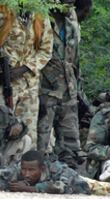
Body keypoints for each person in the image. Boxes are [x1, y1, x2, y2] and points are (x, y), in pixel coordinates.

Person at [0, 4, 53, 148]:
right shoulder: (2, 9)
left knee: (28, 130)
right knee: (1, 125)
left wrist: (24, 69)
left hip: (29, 83)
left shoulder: (41, 15)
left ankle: (26, 165)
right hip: (3, 78)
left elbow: (46, 51)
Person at [37, 0, 82, 168]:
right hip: (45, 85)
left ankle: (70, 169)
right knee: (42, 134)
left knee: (70, 135)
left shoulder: (71, 18)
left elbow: (75, 55)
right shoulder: (40, 17)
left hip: (68, 85)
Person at [0, 150, 110, 196]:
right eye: (24, 169)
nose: (26, 174)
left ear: (42, 169)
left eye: (31, 170)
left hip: (78, 181)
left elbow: (67, 187)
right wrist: (7, 186)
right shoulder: (17, 170)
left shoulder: (58, 169)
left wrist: (30, 189)